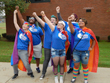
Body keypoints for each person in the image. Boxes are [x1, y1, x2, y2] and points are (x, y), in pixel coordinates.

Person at [40, 11, 70, 83]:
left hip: (62, 50)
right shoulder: (54, 29)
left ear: (63, 26)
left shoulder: (65, 33)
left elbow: (66, 42)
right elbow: (48, 22)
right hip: (55, 50)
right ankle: (56, 77)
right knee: (56, 65)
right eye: (58, 23)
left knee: (62, 65)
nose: (58, 24)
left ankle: (61, 77)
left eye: (60, 24)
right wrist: (44, 15)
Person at [68, 16, 97, 83]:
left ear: (85, 23)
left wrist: (92, 47)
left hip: (85, 52)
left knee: (85, 66)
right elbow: (71, 28)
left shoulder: (89, 31)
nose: (80, 22)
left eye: (82, 21)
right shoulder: (76, 30)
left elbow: (94, 40)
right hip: (76, 52)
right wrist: (69, 21)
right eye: (79, 21)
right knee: (76, 66)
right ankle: (74, 78)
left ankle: (85, 80)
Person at [16, 6, 44, 73]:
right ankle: (29, 68)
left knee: (37, 57)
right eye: (30, 18)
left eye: (33, 18)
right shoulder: (26, 25)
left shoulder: (38, 28)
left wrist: (43, 44)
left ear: (35, 20)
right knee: (29, 56)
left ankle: (37, 67)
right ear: (28, 20)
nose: (31, 19)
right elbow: (21, 19)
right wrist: (18, 10)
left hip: (37, 45)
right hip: (28, 45)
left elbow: (42, 36)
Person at [32, 12, 57, 79]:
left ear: (56, 21)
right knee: (46, 59)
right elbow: (40, 21)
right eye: (51, 19)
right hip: (47, 46)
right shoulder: (46, 26)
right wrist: (36, 16)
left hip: (56, 47)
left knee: (56, 60)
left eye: (54, 20)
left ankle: (56, 72)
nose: (52, 21)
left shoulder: (58, 28)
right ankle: (43, 73)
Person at [56, 6, 80, 74]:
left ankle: (77, 69)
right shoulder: (66, 23)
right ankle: (71, 67)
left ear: (75, 18)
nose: (71, 17)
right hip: (68, 43)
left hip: (75, 44)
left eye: (72, 16)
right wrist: (58, 12)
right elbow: (60, 19)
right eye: (70, 16)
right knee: (69, 57)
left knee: (75, 56)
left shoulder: (77, 25)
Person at [12, 10, 34, 79]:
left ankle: (30, 72)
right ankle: (15, 73)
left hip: (23, 51)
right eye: (23, 25)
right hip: (17, 50)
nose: (24, 26)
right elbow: (15, 22)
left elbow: (30, 44)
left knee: (26, 64)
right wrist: (14, 14)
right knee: (14, 63)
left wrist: (29, 53)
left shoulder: (29, 34)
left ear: (28, 27)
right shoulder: (20, 31)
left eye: (26, 25)